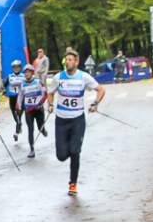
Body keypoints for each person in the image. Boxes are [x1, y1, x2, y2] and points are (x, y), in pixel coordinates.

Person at [46, 51, 105, 197]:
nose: (68, 62)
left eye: (70, 60)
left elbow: (101, 89)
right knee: (61, 156)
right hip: (61, 120)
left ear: (76, 62)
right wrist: (51, 104)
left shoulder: (83, 77)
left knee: (75, 152)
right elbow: (50, 92)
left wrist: (95, 103)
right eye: (66, 60)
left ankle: (73, 183)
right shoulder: (58, 77)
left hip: (77, 120)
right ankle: (67, 153)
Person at [17, 63, 48, 158]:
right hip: (28, 110)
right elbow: (20, 96)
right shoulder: (22, 84)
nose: (26, 74)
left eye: (28, 72)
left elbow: (45, 94)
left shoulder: (38, 82)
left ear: (32, 72)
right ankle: (32, 150)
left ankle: (43, 130)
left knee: (40, 127)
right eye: (25, 72)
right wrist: (18, 106)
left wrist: (40, 104)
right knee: (30, 130)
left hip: (38, 110)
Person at [2, 59, 25, 141]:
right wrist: (4, 90)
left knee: (18, 115)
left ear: (20, 67)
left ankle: (16, 132)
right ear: (12, 68)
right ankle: (19, 126)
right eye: (14, 67)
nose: (16, 68)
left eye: (18, 67)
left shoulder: (23, 76)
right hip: (12, 98)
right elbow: (5, 84)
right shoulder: (10, 76)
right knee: (15, 115)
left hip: (21, 98)